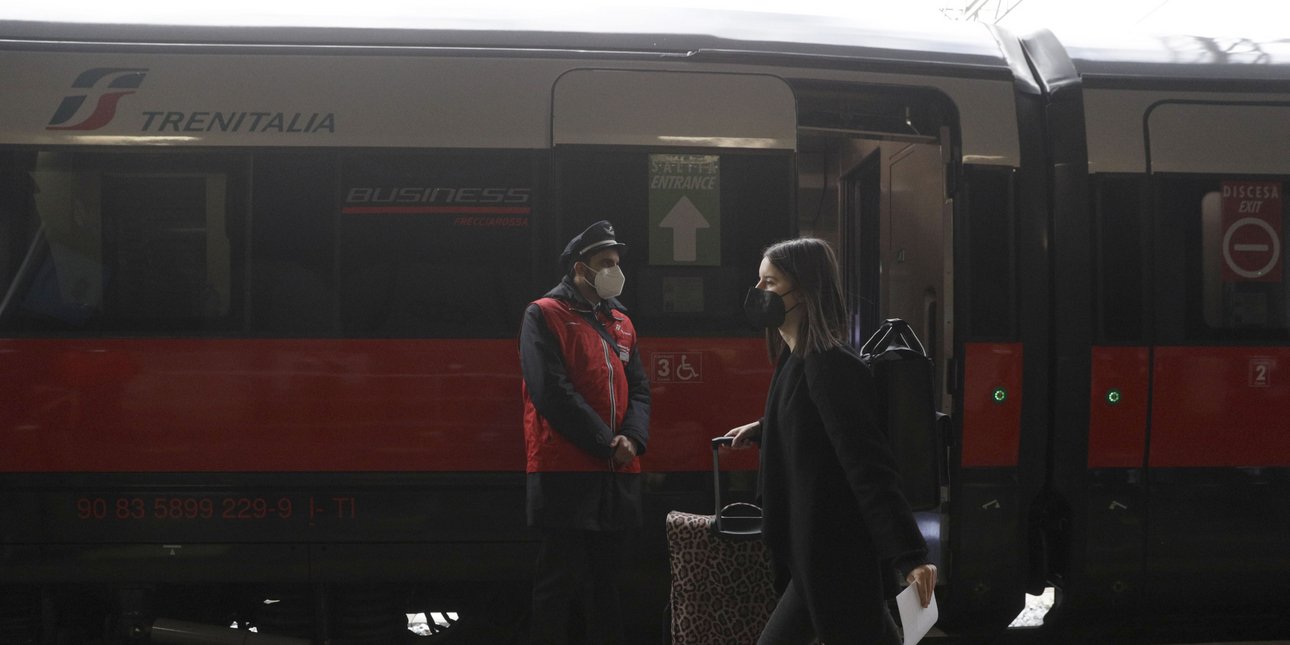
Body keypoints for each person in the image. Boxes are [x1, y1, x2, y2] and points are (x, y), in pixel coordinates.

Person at [725, 237, 937, 645]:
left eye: (770, 283)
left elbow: (868, 466)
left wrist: (910, 555)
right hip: (817, 556)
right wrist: (766, 427)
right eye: (759, 281)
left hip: (836, 556)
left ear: (804, 291)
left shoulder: (830, 366)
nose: (758, 292)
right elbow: (814, 422)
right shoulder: (796, 359)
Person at [519, 220, 651, 645]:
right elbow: (551, 392)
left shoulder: (622, 322)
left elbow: (640, 389)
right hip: (566, 471)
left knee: (607, 584)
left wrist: (633, 439)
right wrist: (606, 443)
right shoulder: (544, 314)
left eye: (616, 261)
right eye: (606, 262)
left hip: (618, 470)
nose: (615, 269)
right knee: (558, 582)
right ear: (581, 268)